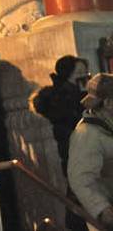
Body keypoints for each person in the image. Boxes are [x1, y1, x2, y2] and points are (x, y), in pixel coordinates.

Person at [35, 56, 92, 230]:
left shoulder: (79, 95)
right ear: (68, 74)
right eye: (79, 73)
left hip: (88, 154)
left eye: (85, 72)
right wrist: (82, 96)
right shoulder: (59, 98)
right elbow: (68, 119)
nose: (84, 76)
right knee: (79, 198)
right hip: (75, 155)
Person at [68, 72, 113, 229]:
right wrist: (103, 210)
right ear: (108, 103)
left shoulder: (107, 126)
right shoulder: (87, 133)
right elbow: (81, 178)